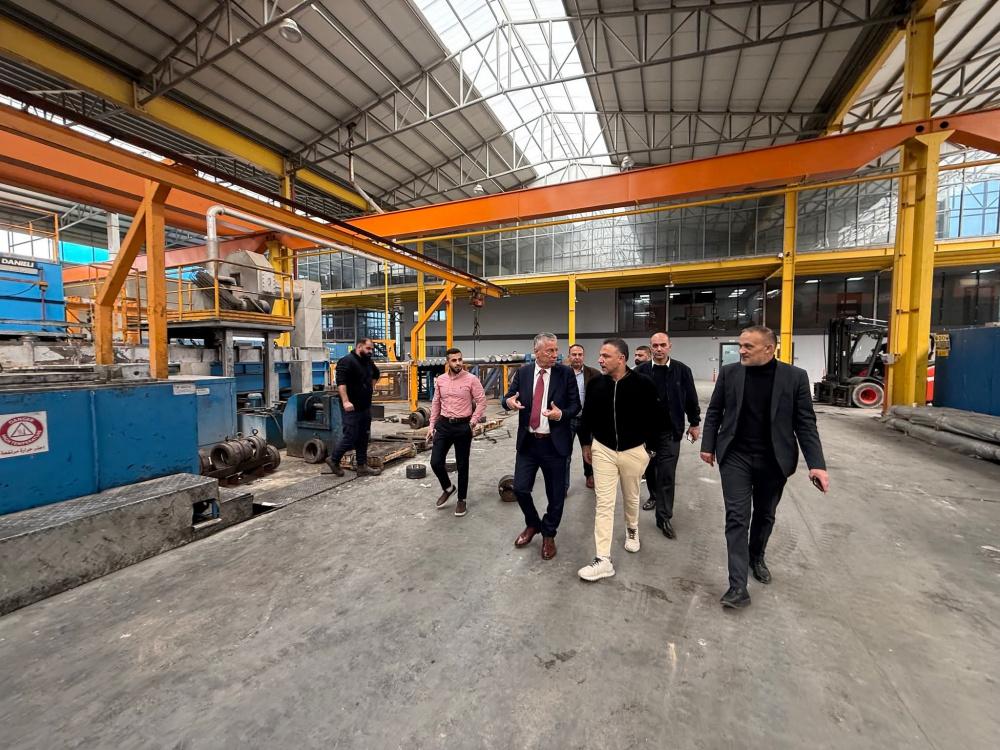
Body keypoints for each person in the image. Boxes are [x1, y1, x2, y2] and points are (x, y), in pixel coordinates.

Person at [700, 325, 829, 609]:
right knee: (737, 517)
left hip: (774, 459)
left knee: (765, 515)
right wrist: (707, 445)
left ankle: (756, 555)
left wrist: (817, 465)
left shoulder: (795, 377)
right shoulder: (730, 373)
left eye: (748, 346)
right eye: (741, 345)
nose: (741, 351)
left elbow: (805, 424)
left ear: (769, 349)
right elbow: (715, 411)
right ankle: (737, 587)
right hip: (735, 455)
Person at [577, 339, 661, 582]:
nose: (600, 360)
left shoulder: (643, 383)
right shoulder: (596, 384)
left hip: (633, 450)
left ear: (621, 359)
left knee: (631, 496)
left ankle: (632, 529)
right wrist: (585, 443)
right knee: (604, 503)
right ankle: (603, 559)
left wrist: (650, 450)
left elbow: (656, 417)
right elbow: (587, 416)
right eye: (600, 355)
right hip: (603, 449)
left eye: (606, 356)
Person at [503, 333, 581, 560]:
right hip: (528, 443)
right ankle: (533, 524)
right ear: (536, 352)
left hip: (554, 446)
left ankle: (548, 533)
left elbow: (575, 405)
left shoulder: (565, 373)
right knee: (520, 488)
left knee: (556, 495)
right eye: (550, 351)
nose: (555, 355)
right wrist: (509, 402)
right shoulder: (524, 373)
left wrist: (561, 414)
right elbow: (508, 398)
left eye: (556, 350)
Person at [635, 332, 701, 539]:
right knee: (650, 469)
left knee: (667, 473)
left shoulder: (682, 371)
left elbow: (691, 398)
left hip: (671, 431)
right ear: (650, 347)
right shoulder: (640, 371)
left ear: (670, 346)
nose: (659, 349)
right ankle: (654, 496)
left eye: (663, 345)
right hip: (646, 433)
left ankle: (664, 517)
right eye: (655, 345)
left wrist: (695, 423)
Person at [428, 348, 487, 517]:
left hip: (463, 426)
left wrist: (473, 422)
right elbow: (436, 403)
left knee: (462, 465)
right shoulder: (441, 380)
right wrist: (431, 426)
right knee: (435, 462)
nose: (458, 363)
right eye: (454, 360)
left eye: (460, 359)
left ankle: (461, 500)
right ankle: (448, 488)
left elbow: (482, 401)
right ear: (448, 362)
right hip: (444, 425)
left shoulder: (471, 379)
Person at [326, 338, 381, 477]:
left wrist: (371, 387)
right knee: (351, 436)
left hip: (365, 406)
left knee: (363, 436)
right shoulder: (346, 361)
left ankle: (362, 466)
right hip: (351, 407)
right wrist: (345, 401)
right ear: (359, 347)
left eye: (372, 349)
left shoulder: (368, 362)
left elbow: (376, 374)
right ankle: (333, 459)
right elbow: (341, 383)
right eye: (368, 348)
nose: (370, 351)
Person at [566, 343, 601, 490]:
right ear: (569, 356)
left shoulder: (594, 374)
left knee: (590, 450)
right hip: (568, 419)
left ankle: (590, 475)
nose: (577, 357)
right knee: (565, 453)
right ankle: (563, 484)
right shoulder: (562, 374)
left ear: (584, 356)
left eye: (580, 354)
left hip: (587, 420)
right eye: (574, 354)